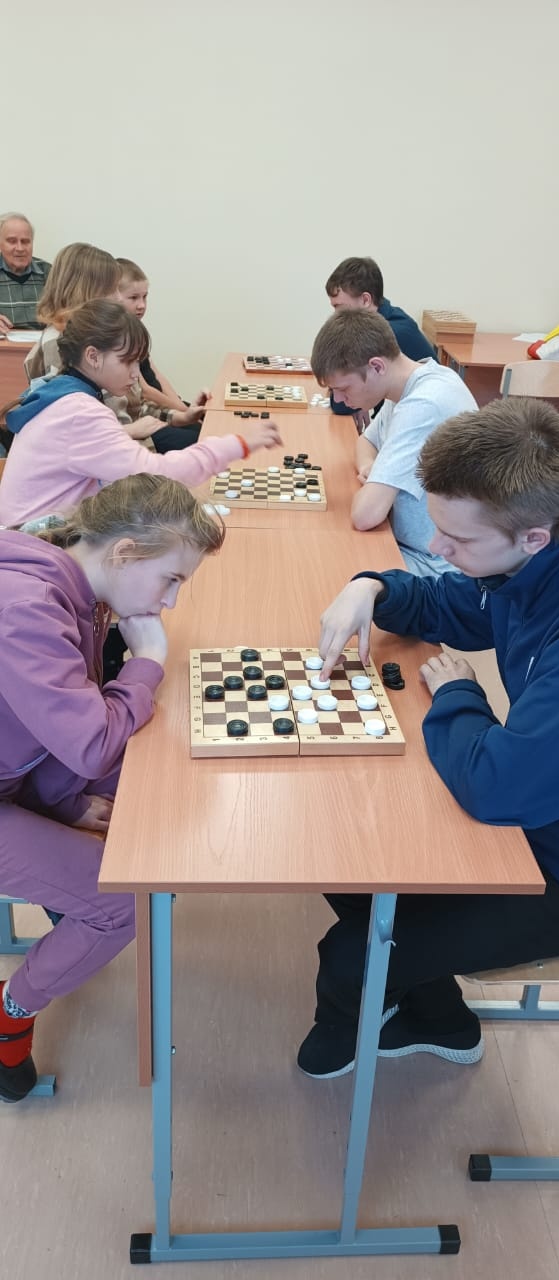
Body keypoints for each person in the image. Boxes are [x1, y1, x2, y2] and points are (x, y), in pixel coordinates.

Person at [297, 396, 559, 1080]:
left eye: (459, 540)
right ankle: (438, 1012)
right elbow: (456, 603)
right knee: (348, 860)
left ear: (533, 537)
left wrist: (458, 696)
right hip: (538, 802)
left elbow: (498, 787)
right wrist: (372, 587)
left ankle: (407, 1018)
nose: (440, 550)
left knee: (350, 958)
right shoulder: (526, 563)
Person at [0, 472, 225, 1102]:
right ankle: (11, 1011)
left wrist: (67, 801)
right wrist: (145, 663)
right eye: (170, 579)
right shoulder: (27, 609)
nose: (171, 602)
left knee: (169, 778)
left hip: (17, 769)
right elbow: (93, 741)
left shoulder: (74, 581)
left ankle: (69, 907)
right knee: (123, 900)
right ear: (124, 552)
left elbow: (53, 725)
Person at [0, 300, 282, 527]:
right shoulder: (78, 412)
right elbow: (158, 476)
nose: (136, 374)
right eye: (128, 362)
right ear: (93, 356)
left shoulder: (64, 393)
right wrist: (238, 444)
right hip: (35, 550)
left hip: (34, 536)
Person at [311, 309, 477, 575]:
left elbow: (365, 515)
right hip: (408, 545)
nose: (338, 400)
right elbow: (365, 442)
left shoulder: (424, 404)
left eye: (343, 388)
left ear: (376, 366)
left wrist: (376, 481)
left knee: (324, 566)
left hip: (437, 566)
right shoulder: (404, 385)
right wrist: (371, 468)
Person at [24, 244, 206, 451]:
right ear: (87, 290)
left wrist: (181, 416)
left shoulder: (100, 335)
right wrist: (130, 431)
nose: (119, 298)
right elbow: (70, 430)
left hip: (129, 446)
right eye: (112, 289)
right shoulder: (59, 343)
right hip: (113, 453)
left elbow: (133, 405)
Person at [324, 256, 435, 421]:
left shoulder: (386, 333)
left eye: (339, 307)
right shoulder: (390, 316)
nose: (336, 315)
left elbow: (340, 405)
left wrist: (351, 397)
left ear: (365, 300)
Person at [116, 256, 208, 453]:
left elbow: (157, 375)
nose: (141, 305)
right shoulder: (119, 337)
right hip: (146, 415)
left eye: (145, 297)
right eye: (134, 298)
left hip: (160, 407)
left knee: (209, 421)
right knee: (202, 438)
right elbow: (145, 391)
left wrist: (182, 407)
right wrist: (183, 412)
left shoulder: (137, 329)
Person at [0, 212, 51, 334]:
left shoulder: (50, 273)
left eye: (25, 241)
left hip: (41, 344)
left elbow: (69, 313)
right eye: (12, 241)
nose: (20, 248)